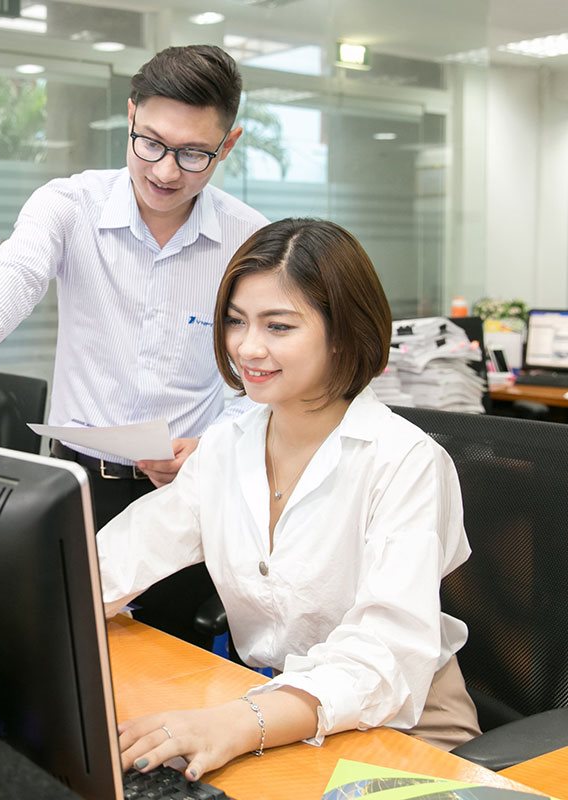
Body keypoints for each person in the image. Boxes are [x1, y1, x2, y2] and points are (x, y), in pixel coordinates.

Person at [0, 45, 267, 647]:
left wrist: (215, 445)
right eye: (150, 143)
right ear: (130, 116)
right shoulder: (69, 205)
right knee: (63, 652)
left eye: (194, 154)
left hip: (189, 491)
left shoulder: (249, 239)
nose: (166, 172)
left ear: (228, 145)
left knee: (176, 666)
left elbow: (262, 378)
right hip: (78, 485)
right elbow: (15, 272)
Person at [98, 218, 481, 781]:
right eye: (236, 321)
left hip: (403, 727)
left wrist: (240, 721)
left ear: (343, 332)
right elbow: (126, 553)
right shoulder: (226, 445)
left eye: (278, 326)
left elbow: (382, 657)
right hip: (274, 715)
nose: (247, 347)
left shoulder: (405, 461)